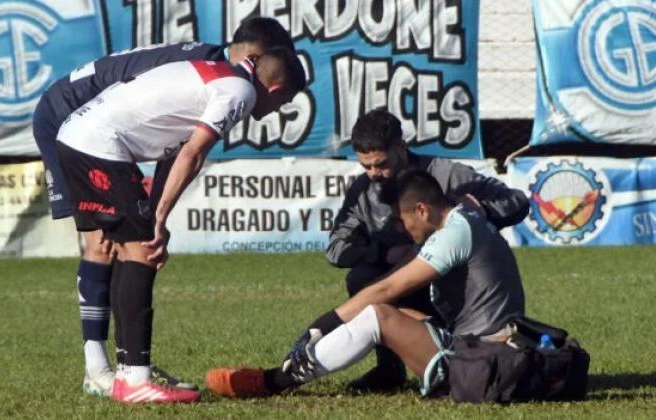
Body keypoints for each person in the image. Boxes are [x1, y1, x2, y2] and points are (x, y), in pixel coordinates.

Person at [31, 17, 296, 397]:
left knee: (134, 239)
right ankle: (100, 369)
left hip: (101, 130)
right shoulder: (225, 79)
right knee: (104, 245)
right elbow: (181, 146)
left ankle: (129, 363)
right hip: (67, 114)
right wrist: (152, 220)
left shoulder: (211, 67)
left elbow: (170, 144)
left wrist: (155, 216)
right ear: (257, 57)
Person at [204, 168, 526, 399]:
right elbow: (392, 283)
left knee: (378, 315)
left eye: (403, 219)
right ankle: (293, 372)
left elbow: (388, 288)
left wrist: (322, 325)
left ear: (422, 209)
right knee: (385, 309)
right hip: (487, 350)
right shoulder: (459, 221)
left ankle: (275, 381)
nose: (402, 227)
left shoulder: (454, 232)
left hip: (483, 363)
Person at [324, 109, 529, 393]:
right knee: (361, 277)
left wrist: (479, 212)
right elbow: (335, 248)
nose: (374, 174)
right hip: (407, 283)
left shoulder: (447, 174)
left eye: (380, 164)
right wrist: (383, 253)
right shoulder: (363, 191)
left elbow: (516, 201)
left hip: (456, 287)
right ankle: (389, 370)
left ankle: (462, 353)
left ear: (401, 147)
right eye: (366, 167)